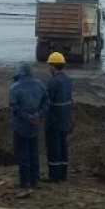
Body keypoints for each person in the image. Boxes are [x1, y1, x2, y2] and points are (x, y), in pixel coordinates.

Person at [8, 62, 49, 195]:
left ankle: (24, 182)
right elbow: (46, 102)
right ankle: (35, 180)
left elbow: (14, 108)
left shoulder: (15, 88)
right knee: (34, 153)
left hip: (21, 125)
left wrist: (27, 117)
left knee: (23, 154)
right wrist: (38, 115)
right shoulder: (40, 85)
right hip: (35, 125)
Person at [45, 52, 73, 183]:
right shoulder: (68, 80)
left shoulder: (53, 82)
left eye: (50, 65)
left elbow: (46, 101)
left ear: (53, 66)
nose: (49, 68)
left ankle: (54, 175)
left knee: (53, 147)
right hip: (65, 119)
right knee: (63, 146)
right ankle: (63, 173)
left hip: (54, 119)